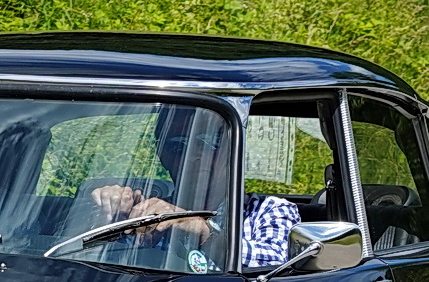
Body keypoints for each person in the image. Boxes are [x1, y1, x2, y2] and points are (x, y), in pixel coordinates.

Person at [88, 114, 301, 269]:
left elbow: (279, 267)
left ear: (231, 149)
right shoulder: (147, 212)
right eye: (178, 147)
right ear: (162, 156)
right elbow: (97, 269)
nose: (193, 156)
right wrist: (110, 217)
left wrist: (197, 228)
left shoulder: (268, 210)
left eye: (207, 142)